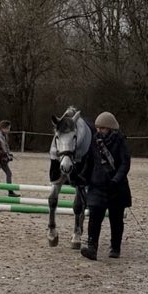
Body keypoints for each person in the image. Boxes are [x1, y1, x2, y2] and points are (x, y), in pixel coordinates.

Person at [79, 111, 132, 259]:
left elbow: (125, 164)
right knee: (94, 217)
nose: (99, 131)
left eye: (102, 128)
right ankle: (92, 247)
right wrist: (82, 178)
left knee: (116, 219)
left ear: (110, 128)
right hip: (97, 185)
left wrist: (116, 180)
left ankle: (115, 247)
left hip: (116, 187)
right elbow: (89, 162)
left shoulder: (120, 142)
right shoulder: (94, 142)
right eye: (98, 128)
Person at [48, 105, 92, 249]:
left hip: (79, 156)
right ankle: (51, 226)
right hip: (62, 154)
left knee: (79, 196)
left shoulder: (83, 134)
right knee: (53, 193)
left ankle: (77, 230)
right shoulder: (57, 138)